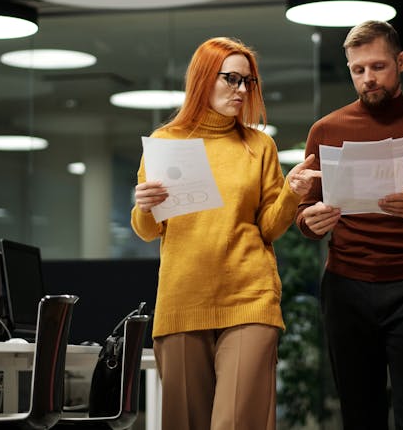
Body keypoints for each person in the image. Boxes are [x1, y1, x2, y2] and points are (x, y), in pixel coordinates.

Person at [131, 36, 320, 430]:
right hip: (183, 300)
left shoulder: (259, 145)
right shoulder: (166, 143)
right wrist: (144, 206)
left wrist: (291, 193)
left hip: (249, 298)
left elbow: (268, 226)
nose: (241, 90)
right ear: (203, 79)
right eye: (231, 79)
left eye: (248, 82)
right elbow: (148, 231)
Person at [296, 20, 403, 430]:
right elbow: (304, 213)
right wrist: (310, 222)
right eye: (358, 70)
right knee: (359, 414)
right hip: (345, 287)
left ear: (401, 62)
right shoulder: (326, 130)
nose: (368, 79)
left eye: (378, 67)